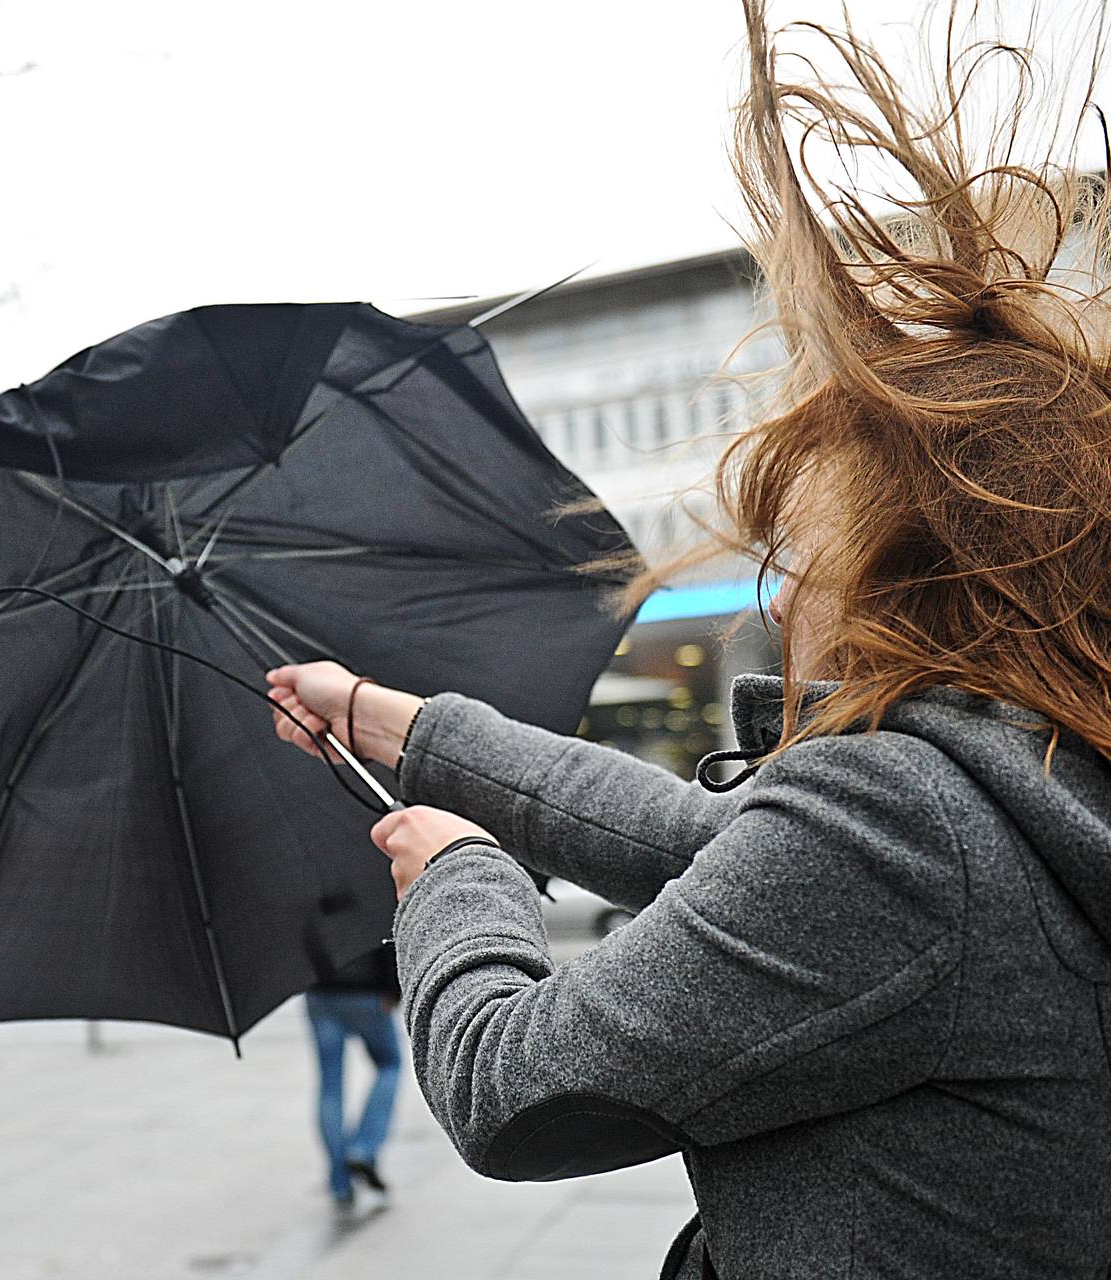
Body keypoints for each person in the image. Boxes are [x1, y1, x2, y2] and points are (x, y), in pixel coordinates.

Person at [268, 3, 1111, 1275]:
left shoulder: (904, 820)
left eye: (801, 555)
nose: (777, 600)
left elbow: (514, 1085)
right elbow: (697, 841)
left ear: (911, 576)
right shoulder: (1028, 777)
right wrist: (406, 727)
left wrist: (454, 876)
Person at [303, 944, 402, 1207]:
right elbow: (385, 936)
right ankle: (363, 1149)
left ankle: (339, 1183)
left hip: (320, 991)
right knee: (390, 1064)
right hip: (367, 991)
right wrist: (393, 987)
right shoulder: (368, 901)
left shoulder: (294, 901)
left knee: (330, 1087)